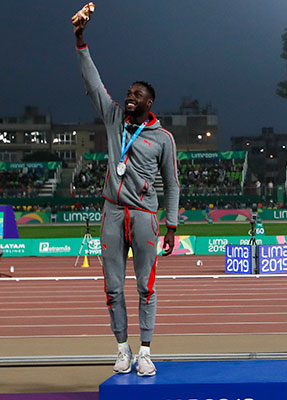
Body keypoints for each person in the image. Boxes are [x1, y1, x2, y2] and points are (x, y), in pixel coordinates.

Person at [73, 6, 179, 377]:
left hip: (146, 217)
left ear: (149, 103)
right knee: (113, 287)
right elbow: (92, 83)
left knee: (145, 289)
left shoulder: (163, 138)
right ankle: (122, 348)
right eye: (128, 93)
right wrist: (80, 41)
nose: (129, 97)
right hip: (113, 212)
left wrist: (172, 225)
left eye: (136, 94)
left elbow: (173, 183)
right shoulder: (115, 118)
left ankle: (146, 351)